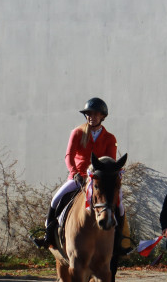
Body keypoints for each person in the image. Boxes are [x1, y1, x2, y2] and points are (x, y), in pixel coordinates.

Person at [34, 98, 118, 249]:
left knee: (120, 204)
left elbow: (110, 162)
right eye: (88, 114)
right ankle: (48, 235)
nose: (91, 117)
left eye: (95, 114)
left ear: (102, 116)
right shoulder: (77, 133)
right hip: (78, 177)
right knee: (55, 200)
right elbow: (69, 156)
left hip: (98, 180)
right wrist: (74, 173)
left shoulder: (110, 138)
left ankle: (120, 240)